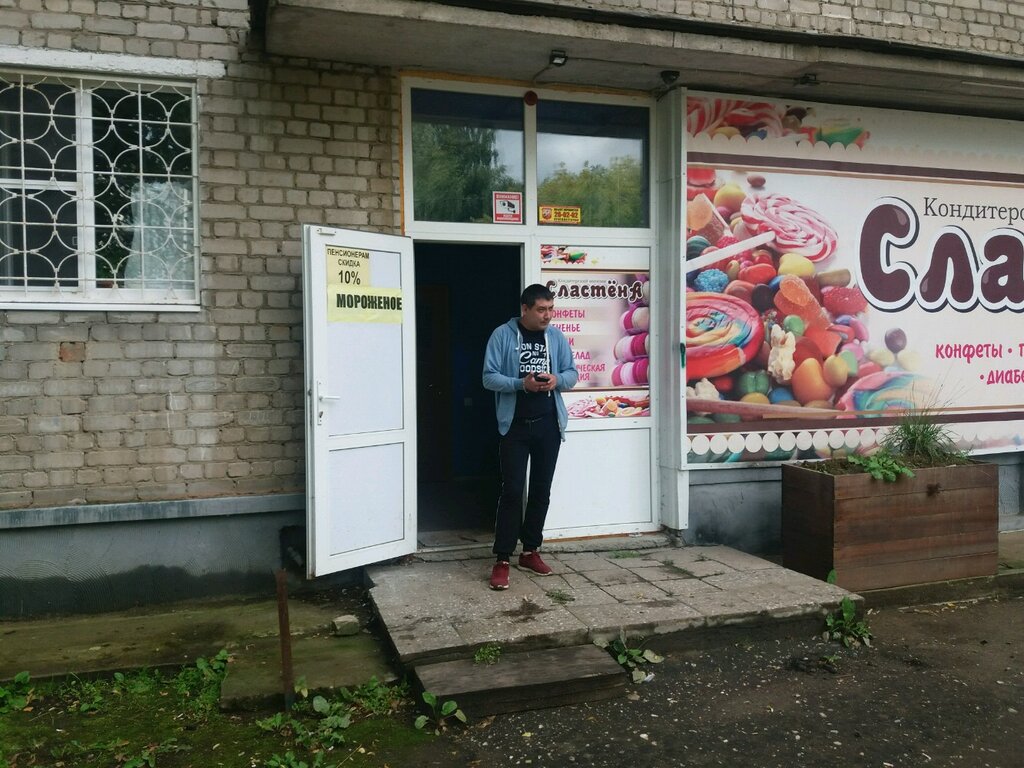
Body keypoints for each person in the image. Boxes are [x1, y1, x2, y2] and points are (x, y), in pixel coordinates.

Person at [482, 284, 579, 590]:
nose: (547, 316)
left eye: (551, 309)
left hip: (548, 424)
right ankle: (502, 559)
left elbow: (572, 374)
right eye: (541, 310)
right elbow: (488, 377)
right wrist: (521, 384)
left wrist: (556, 380)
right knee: (512, 491)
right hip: (514, 426)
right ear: (525, 309)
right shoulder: (502, 335)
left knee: (541, 490)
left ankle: (530, 551)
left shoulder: (556, 337)